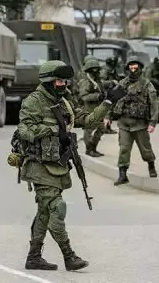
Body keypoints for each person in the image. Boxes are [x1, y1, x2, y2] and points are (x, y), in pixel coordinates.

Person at [16, 60, 125, 271]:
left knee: (45, 212)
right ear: (48, 81)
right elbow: (24, 130)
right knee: (57, 207)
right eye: (58, 80)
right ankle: (69, 256)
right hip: (38, 165)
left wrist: (108, 103)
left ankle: (33, 256)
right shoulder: (34, 101)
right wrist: (53, 129)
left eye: (65, 80)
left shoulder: (65, 102)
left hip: (57, 164)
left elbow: (89, 121)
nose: (63, 84)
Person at [106, 56, 159, 186]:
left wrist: (152, 123)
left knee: (145, 150)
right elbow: (111, 99)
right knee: (124, 148)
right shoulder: (122, 83)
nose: (133, 70)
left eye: (136, 67)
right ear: (127, 68)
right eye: (131, 67)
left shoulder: (147, 84)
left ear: (140, 68)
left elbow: (154, 105)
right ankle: (122, 174)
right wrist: (107, 116)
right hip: (124, 123)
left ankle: (151, 166)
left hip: (140, 124)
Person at [78, 57, 107, 157]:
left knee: (102, 129)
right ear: (89, 70)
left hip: (98, 109)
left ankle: (93, 147)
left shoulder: (97, 80)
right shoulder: (86, 81)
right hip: (89, 109)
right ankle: (89, 149)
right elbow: (83, 96)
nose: (95, 71)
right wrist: (97, 96)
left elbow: (101, 89)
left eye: (96, 69)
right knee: (88, 130)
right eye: (93, 69)